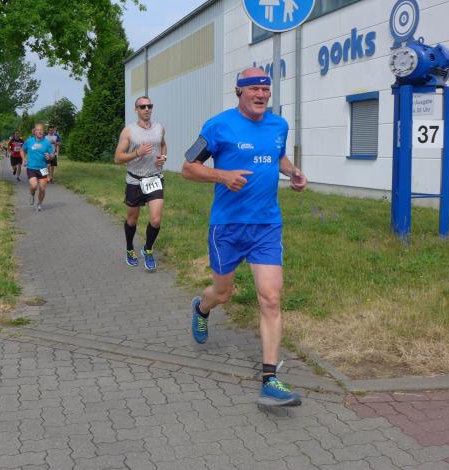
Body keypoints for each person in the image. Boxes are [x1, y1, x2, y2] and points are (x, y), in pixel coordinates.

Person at [182, 67, 308, 408]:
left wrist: (293, 171)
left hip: (266, 225)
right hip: (227, 227)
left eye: (265, 90)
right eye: (253, 89)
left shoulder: (279, 125)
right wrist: (222, 175)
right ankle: (202, 308)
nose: (261, 95)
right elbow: (188, 167)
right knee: (223, 293)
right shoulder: (218, 126)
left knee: (270, 298)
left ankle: (270, 380)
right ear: (239, 91)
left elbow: (278, 156)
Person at [114, 96, 167, 271]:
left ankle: (148, 249)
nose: (146, 109)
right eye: (142, 106)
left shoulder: (159, 128)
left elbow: (163, 145)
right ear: (136, 109)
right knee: (132, 219)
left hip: (154, 178)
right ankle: (130, 248)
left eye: (149, 106)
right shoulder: (128, 131)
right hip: (135, 180)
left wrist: (163, 157)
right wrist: (137, 152)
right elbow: (118, 158)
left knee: (156, 219)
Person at [21, 124, 56, 211]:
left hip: (43, 168)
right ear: (35, 131)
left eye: (41, 130)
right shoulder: (29, 141)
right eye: (38, 130)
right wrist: (24, 159)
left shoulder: (47, 142)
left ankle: (39, 204)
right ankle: (32, 194)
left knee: (42, 188)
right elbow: (22, 150)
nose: (39, 132)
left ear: (43, 132)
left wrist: (50, 156)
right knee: (34, 186)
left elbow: (53, 155)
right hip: (31, 168)